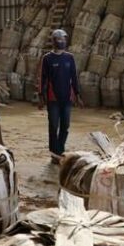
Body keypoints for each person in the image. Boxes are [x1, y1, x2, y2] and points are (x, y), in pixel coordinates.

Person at [38, 29, 83, 163]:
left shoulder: (69, 57)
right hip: (53, 98)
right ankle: (55, 153)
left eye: (63, 39)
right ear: (53, 41)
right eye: (59, 39)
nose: (62, 41)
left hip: (67, 98)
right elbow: (42, 79)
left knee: (65, 126)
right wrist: (41, 97)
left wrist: (78, 95)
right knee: (53, 125)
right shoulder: (47, 58)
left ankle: (60, 150)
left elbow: (74, 78)